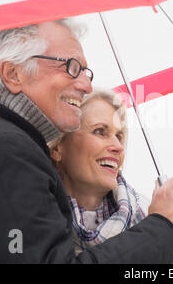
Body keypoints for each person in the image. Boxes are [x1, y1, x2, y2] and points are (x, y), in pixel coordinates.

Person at [0, 19, 173, 263]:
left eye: (86, 72)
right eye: (71, 66)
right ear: (13, 73)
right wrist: (163, 229)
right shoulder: (1, 147)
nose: (86, 85)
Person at [49, 89, 149, 252]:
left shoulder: (147, 218)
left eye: (119, 136)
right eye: (100, 131)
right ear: (58, 147)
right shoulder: (33, 218)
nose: (118, 147)